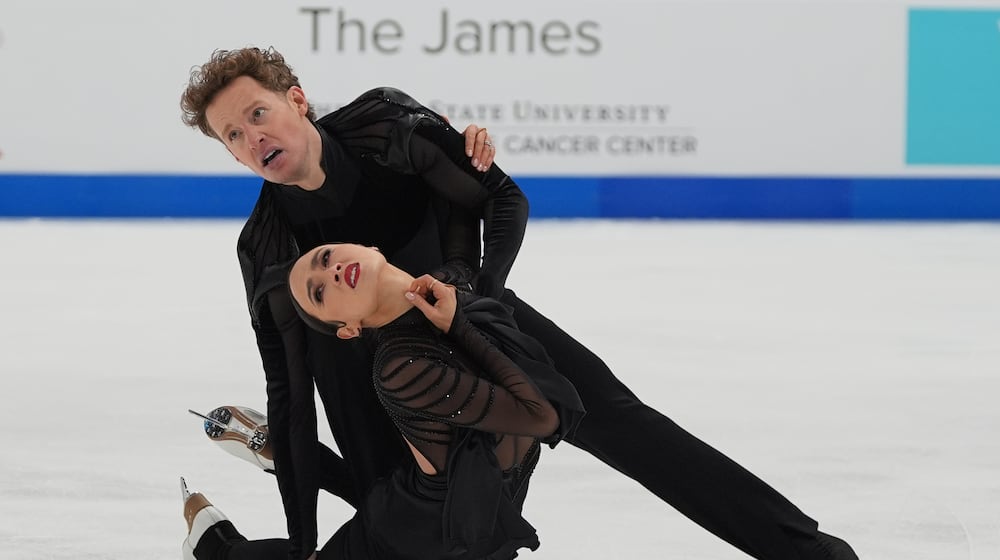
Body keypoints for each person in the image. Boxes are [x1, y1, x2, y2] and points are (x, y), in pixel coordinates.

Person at [181, 46, 858, 560]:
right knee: (440, 528)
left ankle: (810, 552)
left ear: (298, 100)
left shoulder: (387, 126)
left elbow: (503, 198)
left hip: (472, 305)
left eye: (257, 114)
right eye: (233, 136)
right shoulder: (267, 250)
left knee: (623, 423)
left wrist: (476, 299)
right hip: (368, 374)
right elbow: (294, 394)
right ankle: (304, 477)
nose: (252, 137)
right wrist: (301, 543)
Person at [181, 244, 587, 560]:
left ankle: (292, 458)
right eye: (320, 291)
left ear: (368, 248)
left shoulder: (448, 295)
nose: (333, 271)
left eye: (326, 258)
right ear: (348, 329)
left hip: (475, 497)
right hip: (419, 531)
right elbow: (542, 417)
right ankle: (212, 544)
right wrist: (458, 324)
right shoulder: (401, 366)